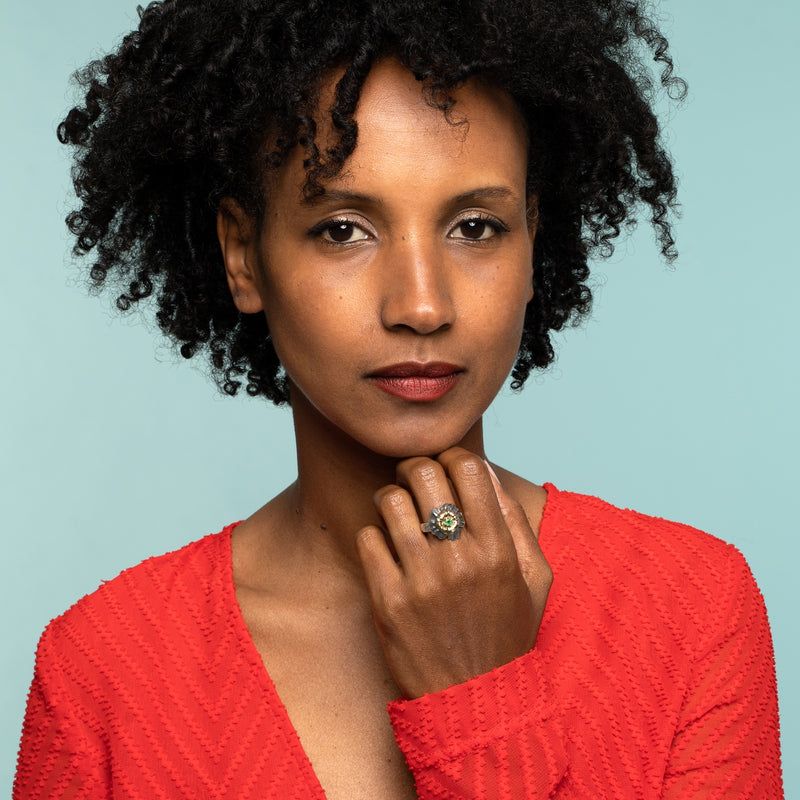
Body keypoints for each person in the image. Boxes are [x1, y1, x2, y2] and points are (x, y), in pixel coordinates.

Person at [14, 0, 783, 797]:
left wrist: (481, 700)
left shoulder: (689, 616)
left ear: (532, 244)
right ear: (243, 255)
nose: (421, 305)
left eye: (477, 227)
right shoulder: (104, 674)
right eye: (344, 229)